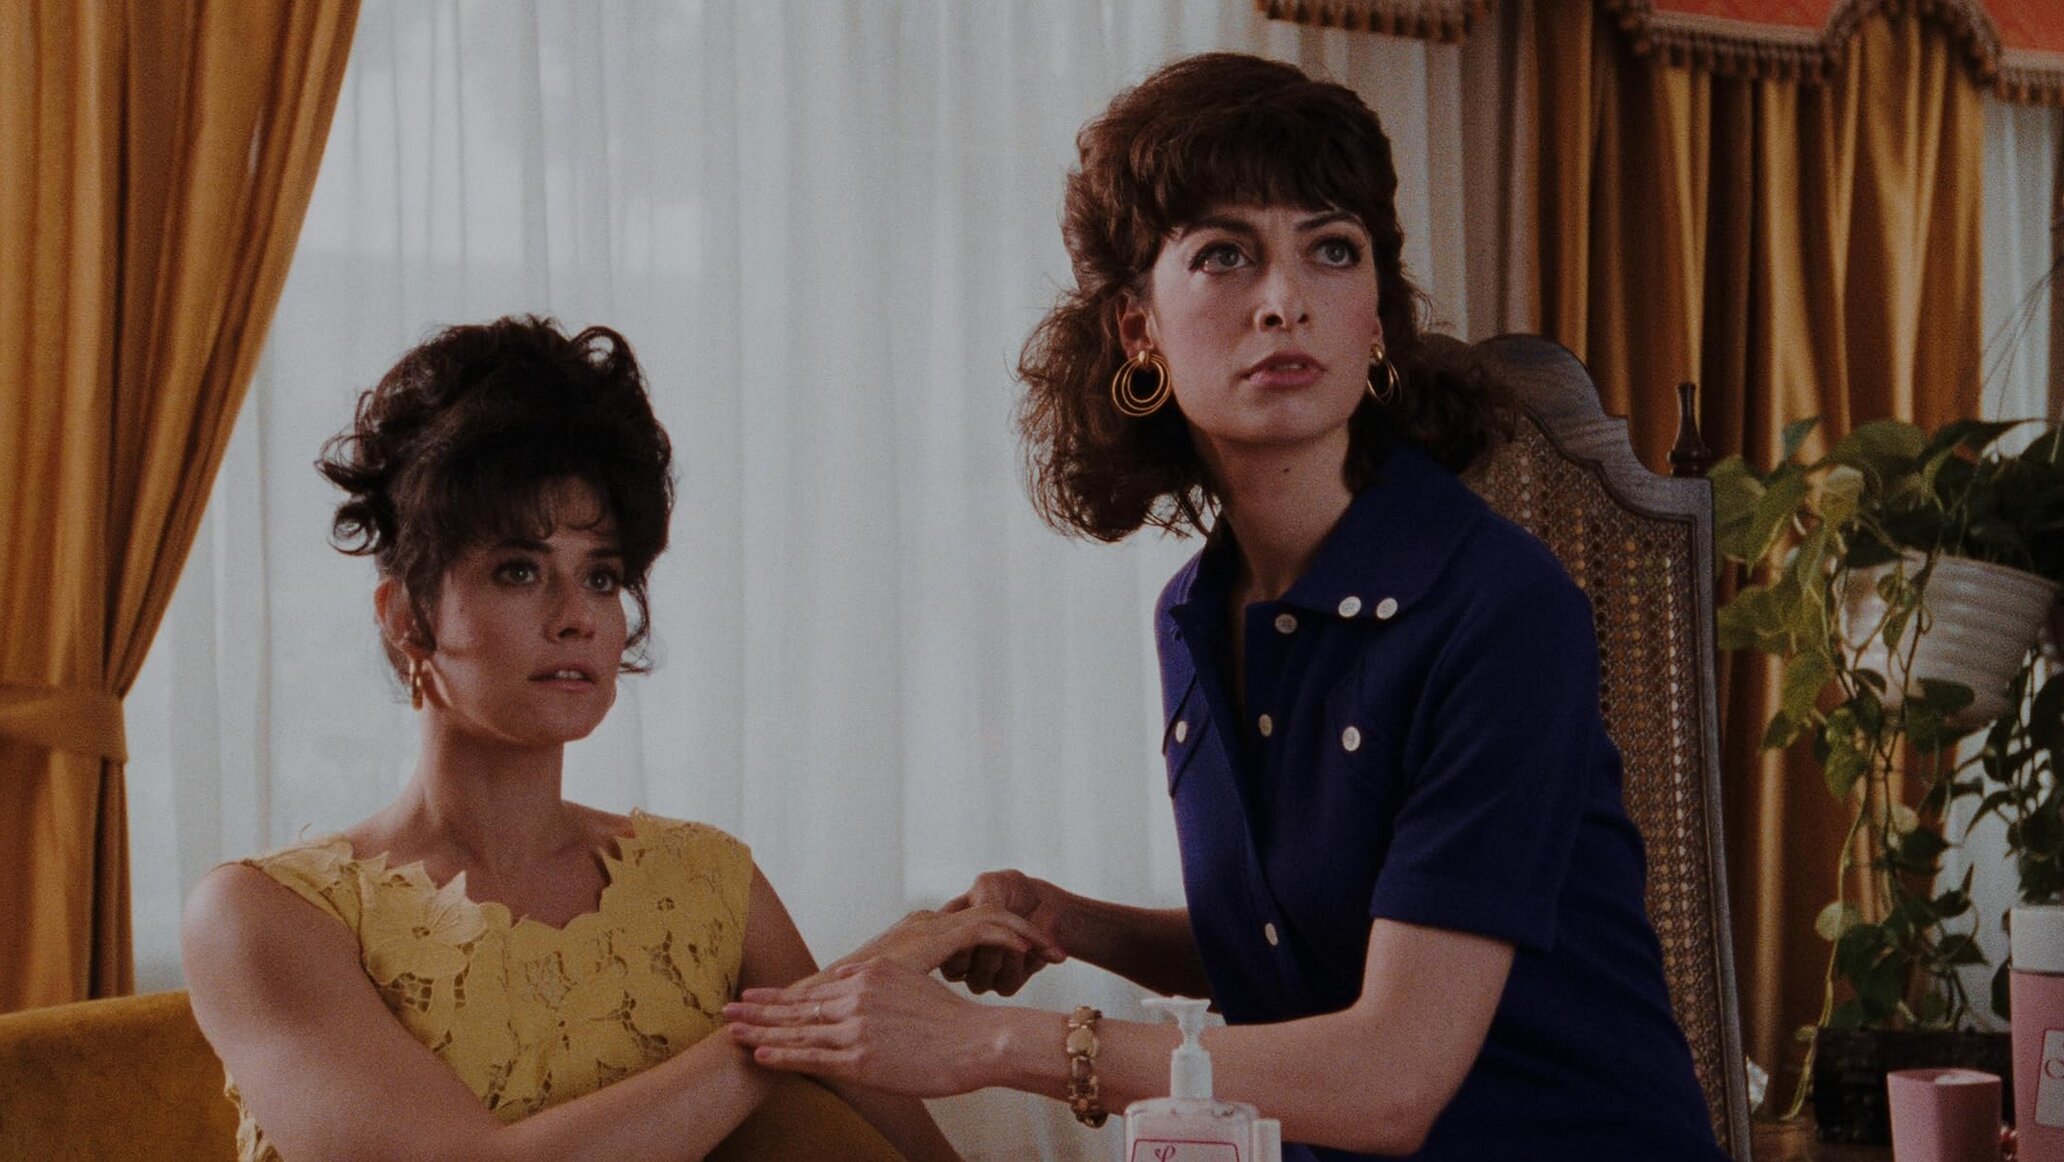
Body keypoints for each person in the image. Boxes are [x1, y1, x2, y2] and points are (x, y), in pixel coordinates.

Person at [724, 53, 1727, 1161]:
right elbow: (1301, 938)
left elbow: (1391, 1079)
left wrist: (993, 1044)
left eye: (1332, 249)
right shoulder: (1197, 611)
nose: (1285, 299)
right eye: (1224, 255)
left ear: (1376, 319)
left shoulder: (1500, 608)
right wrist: (1071, 922)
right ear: (1137, 329)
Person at [181, 317, 1058, 1161]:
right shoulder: (263, 915)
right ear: (407, 617)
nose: (577, 617)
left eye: (600, 577)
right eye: (519, 571)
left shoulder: (710, 883)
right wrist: (803, 1019)